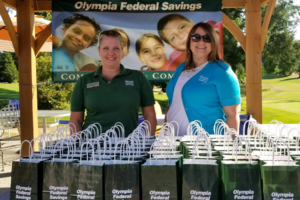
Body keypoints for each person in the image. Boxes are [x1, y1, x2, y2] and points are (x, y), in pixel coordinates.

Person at [70, 30, 157, 137]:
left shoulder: (138, 78)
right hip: (91, 148)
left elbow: (150, 116)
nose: (111, 53)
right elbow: (75, 120)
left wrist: (146, 144)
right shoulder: (84, 81)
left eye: (116, 48)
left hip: (128, 149)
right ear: (99, 50)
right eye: (106, 48)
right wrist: (78, 147)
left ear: (122, 51)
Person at [166, 22, 241, 135]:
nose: (201, 41)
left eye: (207, 38)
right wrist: (166, 131)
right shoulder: (181, 68)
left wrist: (229, 148)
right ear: (189, 42)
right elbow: (172, 103)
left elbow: (232, 115)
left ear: (213, 43)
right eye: (196, 37)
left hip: (205, 145)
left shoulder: (222, 71)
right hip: (173, 142)